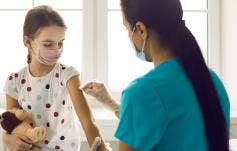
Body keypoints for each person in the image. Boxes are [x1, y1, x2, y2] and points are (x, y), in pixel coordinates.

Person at [81, 0, 230, 150]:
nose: (128, 35)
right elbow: (169, 123)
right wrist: (109, 102)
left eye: (126, 28)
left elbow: (153, 111)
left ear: (140, 29)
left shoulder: (142, 92)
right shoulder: (211, 81)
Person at [2, 5, 107, 151]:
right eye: (48, 44)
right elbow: (11, 125)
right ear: (27, 42)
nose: (56, 50)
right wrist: (7, 138)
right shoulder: (14, 81)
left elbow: (88, 122)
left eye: (60, 43)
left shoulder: (68, 75)